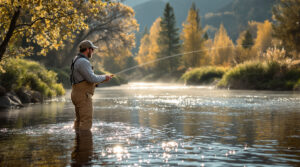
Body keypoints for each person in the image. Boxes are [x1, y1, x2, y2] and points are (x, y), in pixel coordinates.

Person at [70, 40, 113, 131]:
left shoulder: (76, 59)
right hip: (83, 96)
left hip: (77, 94)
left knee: (79, 120)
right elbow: (91, 78)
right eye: (92, 49)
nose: (93, 51)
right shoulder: (83, 62)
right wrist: (104, 77)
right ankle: (85, 143)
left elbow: (86, 80)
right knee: (86, 121)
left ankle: (78, 142)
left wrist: (104, 79)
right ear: (88, 50)